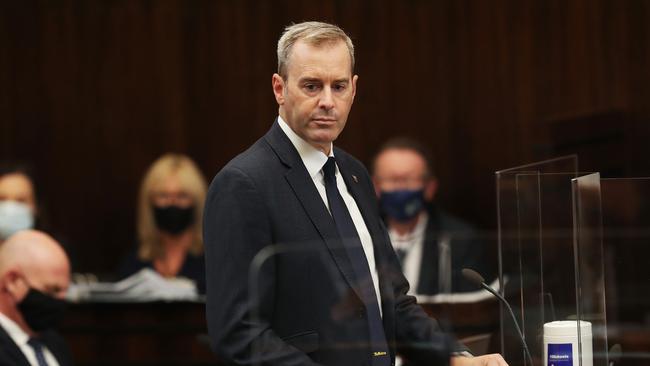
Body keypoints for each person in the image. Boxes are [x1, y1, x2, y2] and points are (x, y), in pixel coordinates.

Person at [204, 21, 507, 366]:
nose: (327, 102)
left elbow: (391, 298)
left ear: (354, 89)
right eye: (312, 86)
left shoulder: (355, 174)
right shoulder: (244, 184)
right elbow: (239, 334)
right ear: (279, 88)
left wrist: (455, 358)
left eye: (339, 86)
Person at [372, 138, 489, 295]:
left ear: (430, 187)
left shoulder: (461, 240)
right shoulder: (359, 234)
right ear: (375, 187)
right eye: (392, 180)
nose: (400, 188)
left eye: (408, 180)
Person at [118, 153, 208, 294]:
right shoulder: (135, 262)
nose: (172, 204)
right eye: (163, 196)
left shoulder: (211, 260)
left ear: (196, 201)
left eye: (182, 196)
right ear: (150, 201)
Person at [0, 230, 74, 366]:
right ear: (13, 281)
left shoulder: (56, 342)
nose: (61, 299)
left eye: (65, 291)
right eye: (53, 290)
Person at [0, 163, 40, 242]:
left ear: (36, 207)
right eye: (2, 199)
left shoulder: (49, 251)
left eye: (20, 201)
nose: (10, 207)